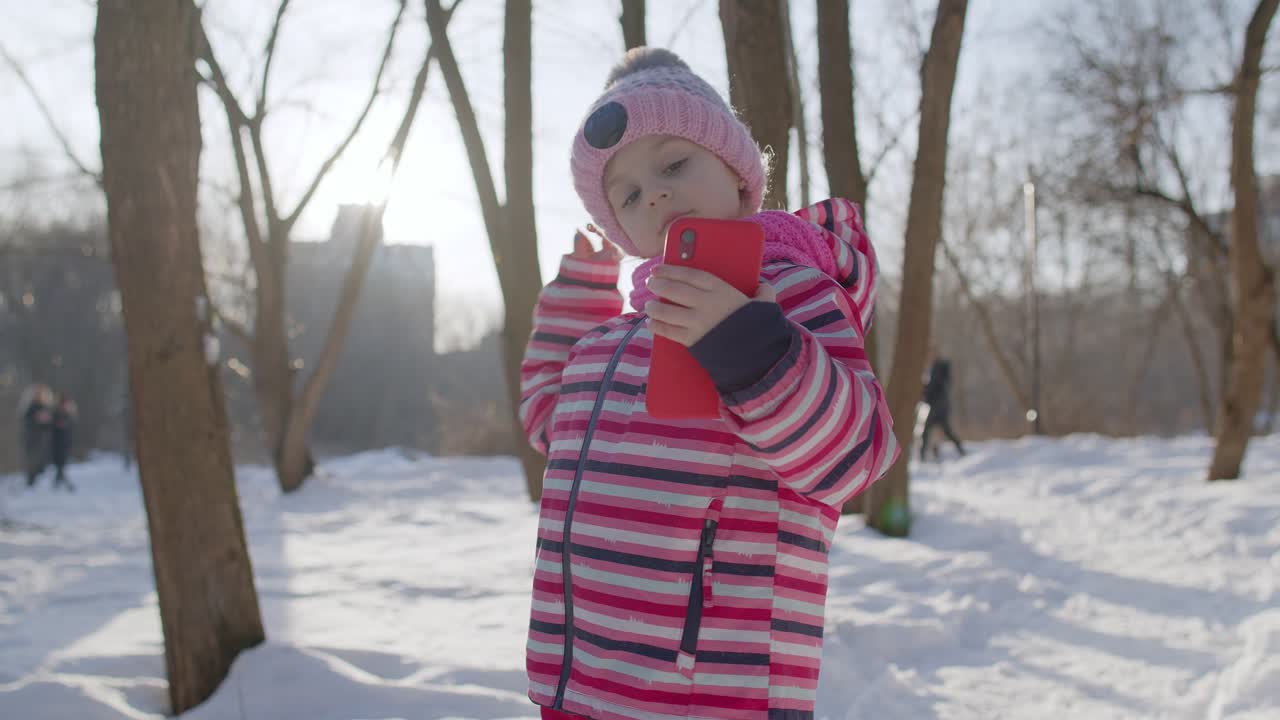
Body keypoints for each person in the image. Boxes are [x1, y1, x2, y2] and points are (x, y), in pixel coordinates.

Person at [520, 47, 899, 720]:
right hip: (578, 685)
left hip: (715, 690)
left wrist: (744, 342)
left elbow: (856, 452)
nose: (655, 193)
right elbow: (548, 422)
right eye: (629, 194)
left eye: (673, 163)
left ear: (739, 176)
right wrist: (579, 299)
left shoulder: (782, 293)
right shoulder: (613, 344)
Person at [920, 351, 965, 460]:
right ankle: (960, 450)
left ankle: (923, 455)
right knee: (943, 431)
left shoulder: (940, 369)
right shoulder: (934, 369)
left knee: (928, 430)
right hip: (938, 406)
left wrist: (925, 391)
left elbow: (935, 387)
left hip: (938, 406)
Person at [19, 384, 54, 487]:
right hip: (30, 436)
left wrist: (46, 421)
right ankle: (30, 479)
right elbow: (25, 421)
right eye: (37, 394)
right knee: (31, 458)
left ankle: (38, 477)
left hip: (42, 438)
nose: (39, 397)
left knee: (40, 459)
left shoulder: (46, 407)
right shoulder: (29, 407)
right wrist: (36, 420)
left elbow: (50, 424)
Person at [50, 396, 78, 491]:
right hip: (56, 442)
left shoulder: (70, 414)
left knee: (62, 463)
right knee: (59, 463)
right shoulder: (55, 414)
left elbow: (72, 426)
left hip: (66, 442)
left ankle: (59, 481)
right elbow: (51, 426)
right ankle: (62, 482)